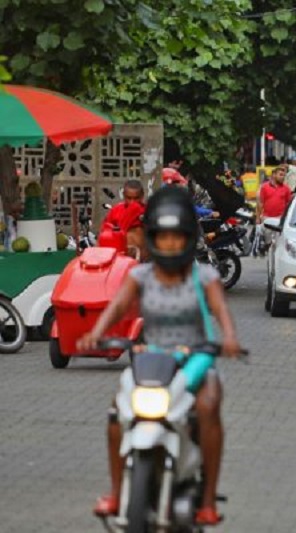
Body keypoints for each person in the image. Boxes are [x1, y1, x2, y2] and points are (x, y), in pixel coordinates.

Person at [79, 187, 243, 526]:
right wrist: (97, 331)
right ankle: (116, 491)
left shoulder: (205, 276)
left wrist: (228, 337)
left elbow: (220, 311)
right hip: (151, 358)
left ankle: (207, 500)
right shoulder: (140, 275)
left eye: (176, 237)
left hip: (196, 358)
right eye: (163, 237)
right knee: (117, 412)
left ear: (188, 239)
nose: (170, 244)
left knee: (208, 406)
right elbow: (118, 307)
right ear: (153, 239)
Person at [100, 179, 146, 257]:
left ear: (142, 196)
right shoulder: (115, 211)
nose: (132, 202)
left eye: (136, 198)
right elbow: (105, 232)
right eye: (129, 198)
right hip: (119, 255)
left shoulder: (148, 211)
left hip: (143, 256)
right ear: (124, 196)